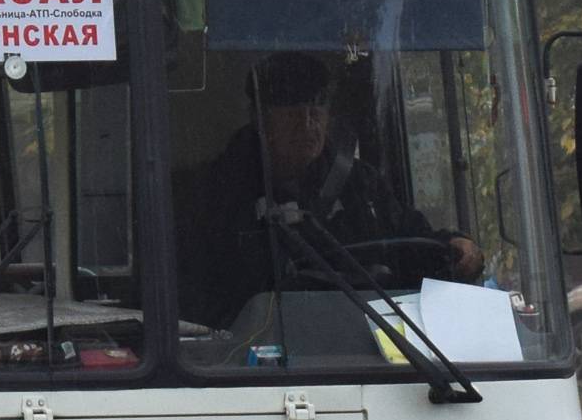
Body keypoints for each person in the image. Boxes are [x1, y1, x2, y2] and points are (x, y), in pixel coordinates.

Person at [180, 51, 483, 326]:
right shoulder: (215, 194)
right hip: (254, 364)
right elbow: (198, 301)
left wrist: (457, 250)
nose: (308, 124)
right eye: (293, 113)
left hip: (365, 348)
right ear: (260, 120)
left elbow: (411, 244)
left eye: (316, 110)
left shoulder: (362, 187)